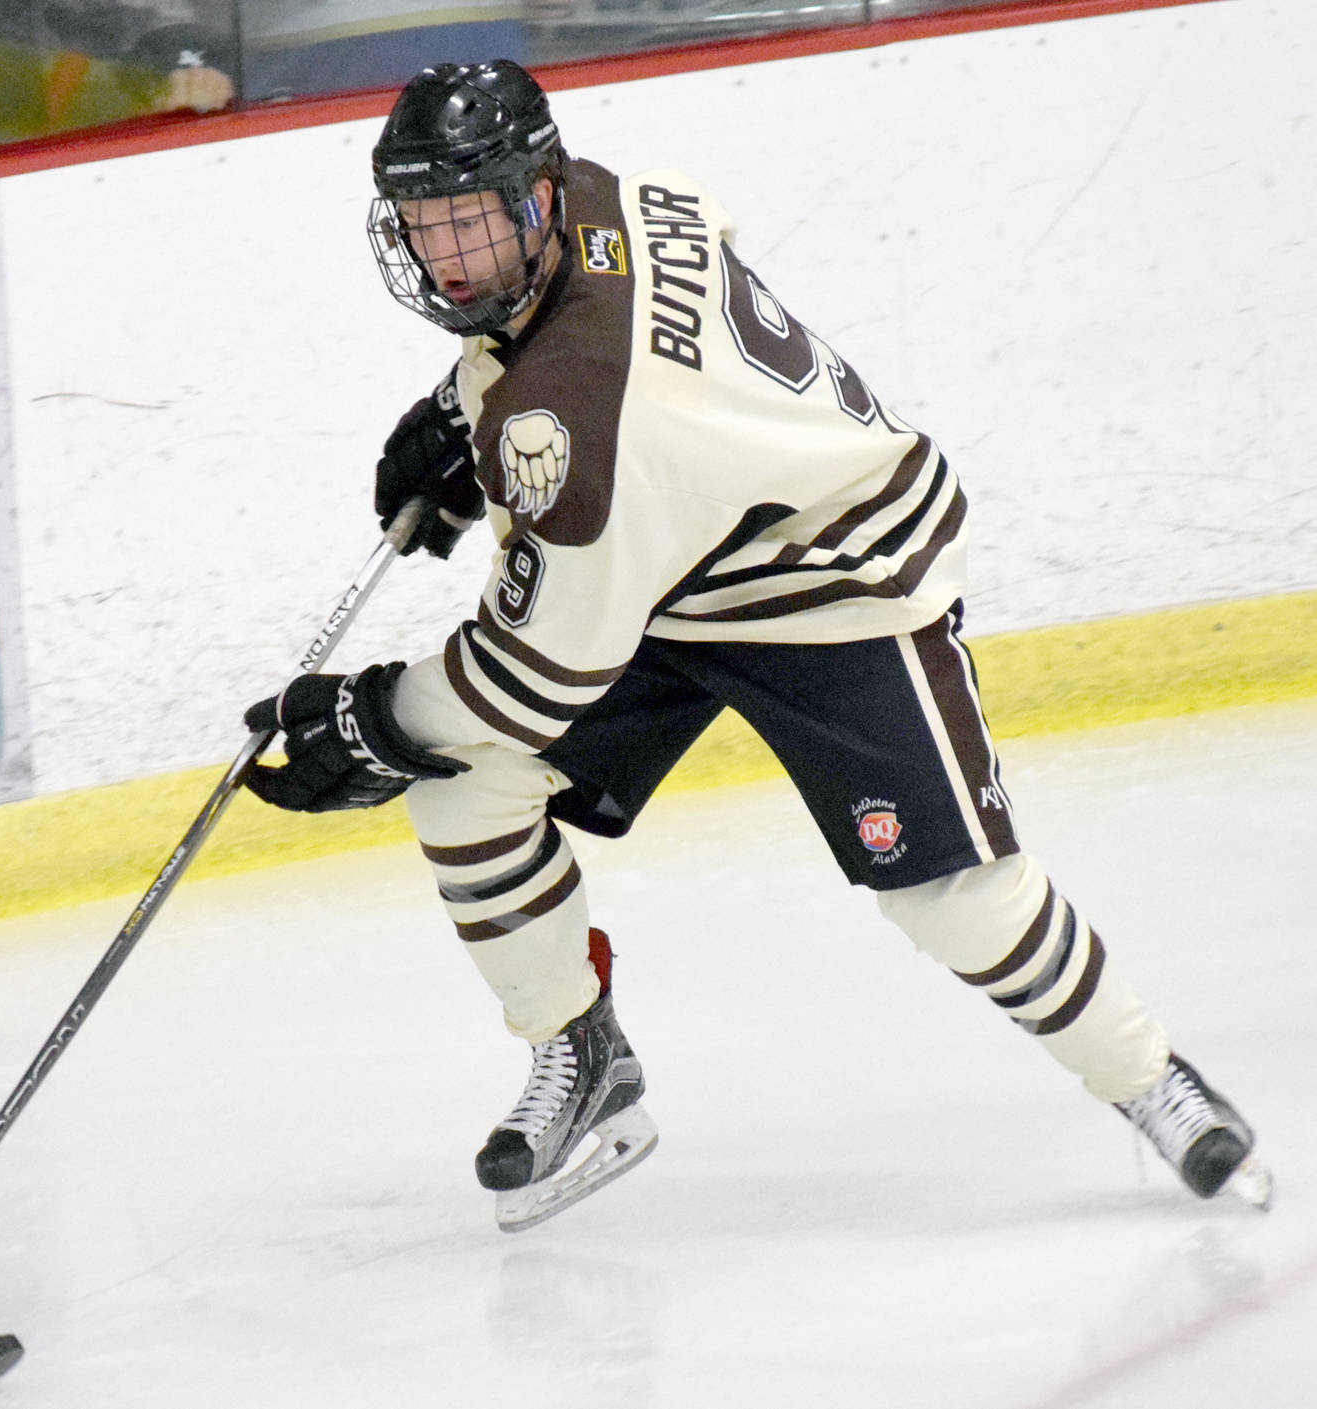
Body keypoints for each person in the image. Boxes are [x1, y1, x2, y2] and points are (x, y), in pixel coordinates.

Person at [238, 60, 1271, 1230]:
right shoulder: (606, 194)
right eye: (423, 225)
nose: (446, 256)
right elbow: (648, 285)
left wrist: (374, 719)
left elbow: (533, 675)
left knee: (955, 898)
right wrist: (464, 404)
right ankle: (586, 1060)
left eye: (468, 220)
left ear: (533, 199)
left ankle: (1153, 1082)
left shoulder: (572, 421)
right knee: (465, 793)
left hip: (834, 579)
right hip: (675, 553)